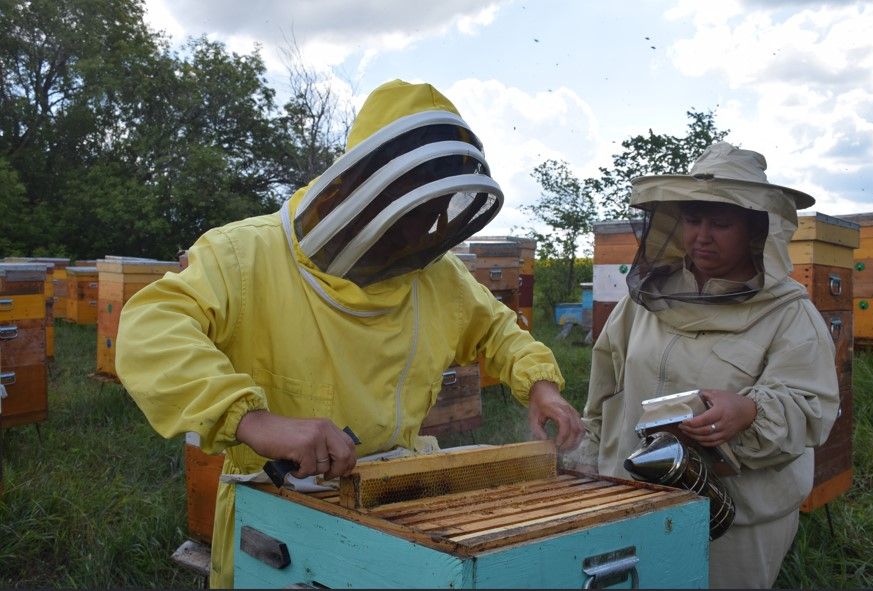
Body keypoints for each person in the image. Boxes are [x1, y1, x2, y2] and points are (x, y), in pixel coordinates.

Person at [115, 79, 584, 588]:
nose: (419, 230)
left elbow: (496, 328)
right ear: (361, 187)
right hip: (278, 517)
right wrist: (253, 420)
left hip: (401, 505)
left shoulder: (438, 276)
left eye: (431, 211)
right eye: (408, 207)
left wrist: (541, 387)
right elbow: (150, 327)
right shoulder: (246, 255)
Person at [570, 142, 839, 588]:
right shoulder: (647, 298)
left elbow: (810, 407)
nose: (702, 235)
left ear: (754, 229)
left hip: (733, 519)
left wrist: (749, 411)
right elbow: (606, 389)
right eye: (693, 220)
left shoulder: (789, 313)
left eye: (721, 223)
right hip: (633, 496)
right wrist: (585, 459)